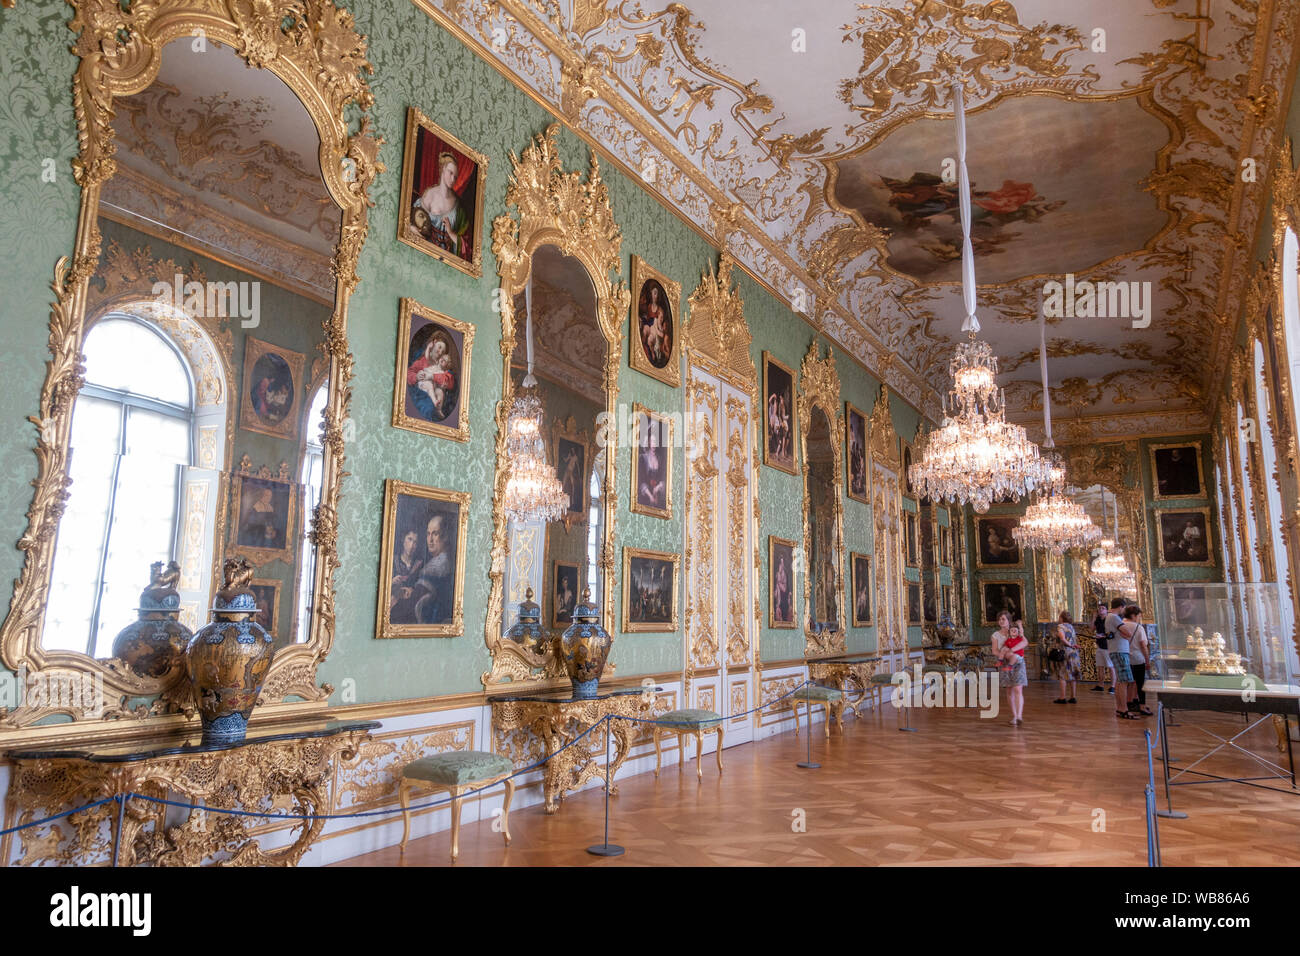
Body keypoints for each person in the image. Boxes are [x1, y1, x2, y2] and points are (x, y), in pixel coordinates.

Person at [414, 151, 471, 257]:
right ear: (443, 169)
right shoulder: (429, 195)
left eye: (455, 176)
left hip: (446, 261)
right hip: (421, 254)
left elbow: (466, 246)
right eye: (450, 173)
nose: (453, 179)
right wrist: (412, 228)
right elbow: (412, 220)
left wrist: (450, 232)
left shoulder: (460, 208)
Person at [992, 611, 1028, 726]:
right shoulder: (995, 635)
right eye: (1000, 619)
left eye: (1003, 619)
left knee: (1018, 689)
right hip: (1005, 663)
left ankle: (1019, 716)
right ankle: (1014, 715)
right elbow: (995, 651)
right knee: (1009, 690)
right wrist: (1006, 655)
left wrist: (1011, 651)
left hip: (1018, 662)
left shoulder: (1015, 630)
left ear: (1008, 620)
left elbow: (1024, 642)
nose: (1001, 621)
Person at [1106, 597, 1138, 720]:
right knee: (1124, 682)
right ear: (1121, 606)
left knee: (1120, 681)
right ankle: (1124, 709)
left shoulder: (1110, 617)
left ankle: (1120, 708)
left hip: (1116, 650)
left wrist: (1122, 634)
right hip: (1119, 651)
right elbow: (1128, 633)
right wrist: (1124, 634)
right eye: (1123, 608)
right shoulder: (1114, 617)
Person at [1120, 605, 1154, 716]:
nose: (1139, 618)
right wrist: (1147, 661)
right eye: (1139, 615)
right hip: (1138, 658)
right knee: (1140, 683)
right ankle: (1142, 706)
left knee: (1128, 683)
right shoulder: (1138, 627)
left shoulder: (1121, 625)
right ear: (1133, 615)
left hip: (1125, 657)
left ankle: (1128, 703)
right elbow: (1143, 646)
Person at [1050, 610, 1080, 704]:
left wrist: (1069, 645)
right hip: (1074, 653)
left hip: (1064, 653)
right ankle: (1073, 697)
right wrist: (1072, 646)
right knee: (1073, 674)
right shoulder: (1071, 627)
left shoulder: (1060, 626)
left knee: (1062, 674)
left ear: (1061, 618)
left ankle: (1062, 697)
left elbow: (1062, 638)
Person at [1091, 601, 1114, 694]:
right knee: (1100, 666)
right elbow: (1092, 628)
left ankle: (1113, 686)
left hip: (1108, 646)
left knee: (1111, 666)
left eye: (1103, 608)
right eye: (1099, 608)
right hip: (1100, 645)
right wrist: (1093, 617)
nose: (1100, 610)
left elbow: (1112, 633)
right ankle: (1101, 685)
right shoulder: (1098, 620)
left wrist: (1103, 636)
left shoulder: (1109, 619)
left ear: (1107, 610)